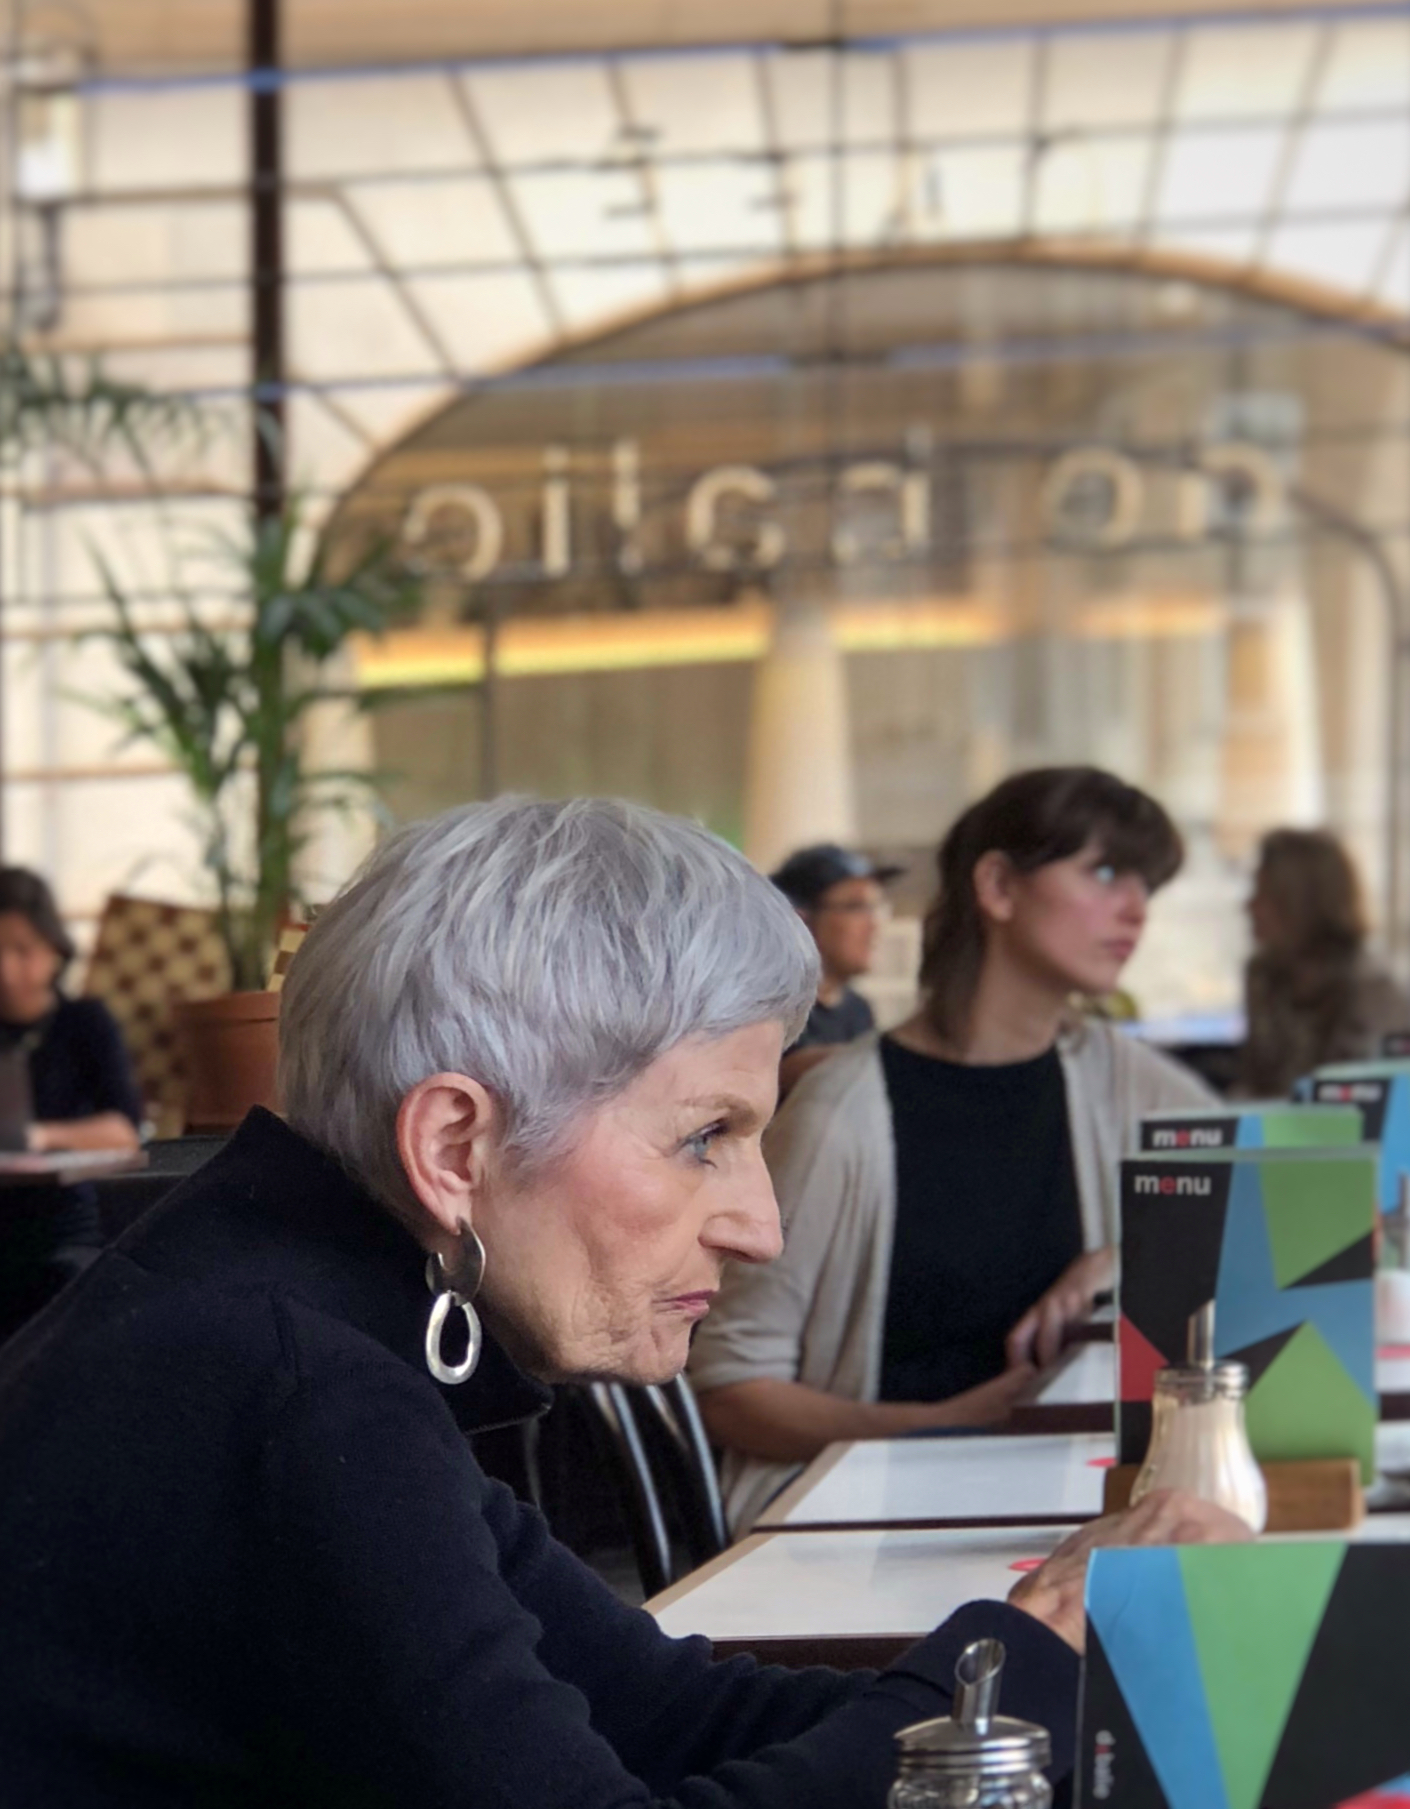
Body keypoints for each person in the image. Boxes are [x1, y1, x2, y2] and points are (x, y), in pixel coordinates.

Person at [0, 797, 1245, 1807]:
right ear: (454, 1144)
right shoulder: (293, 1389)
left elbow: (666, 1714)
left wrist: (1038, 1676)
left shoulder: (290, 1312)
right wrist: (1025, 1660)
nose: (761, 1223)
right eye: (707, 1136)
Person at [692, 767, 1215, 1533]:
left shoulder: (1125, 1080)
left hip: (1061, 1505)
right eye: (1106, 872)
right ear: (998, 886)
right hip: (868, 1524)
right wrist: (944, 1422)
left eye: (1146, 883)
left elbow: (1263, 1221)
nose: (1136, 908)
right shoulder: (845, 1113)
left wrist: (1119, 1259)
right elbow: (731, 1392)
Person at [0, 867, 142, 1342]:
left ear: (54, 949)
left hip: (59, 1229)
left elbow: (125, 1131)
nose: (6, 970)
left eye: (21, 950)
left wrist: (38, 1135)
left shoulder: (83, 1023)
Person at [1238, 826, 1409, 1097]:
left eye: (1264, 894)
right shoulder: (1263, 977)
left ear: (1301, 903)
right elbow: (1257, 1084)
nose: (1249, 907)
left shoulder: (1373, 993)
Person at [771, 844, 902, 1099]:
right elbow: (782, 1073)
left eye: (876, 907)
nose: (875, 924)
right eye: (856, 907)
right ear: (801, 920)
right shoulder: (770, 1005)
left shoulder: (858, 1009)